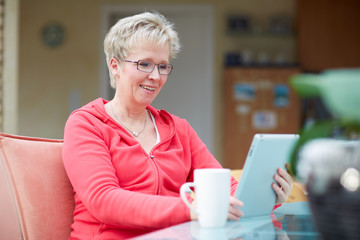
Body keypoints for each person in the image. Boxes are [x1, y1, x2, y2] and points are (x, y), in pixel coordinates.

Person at [62, 11, 293, 239]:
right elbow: (104, 200)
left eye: (163, 66)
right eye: (145, 64)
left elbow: (224, 188)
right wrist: (192, 210)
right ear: (115, 66)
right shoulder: (86, 123)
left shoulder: (178, 129)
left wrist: (266, 197)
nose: (156, 76)